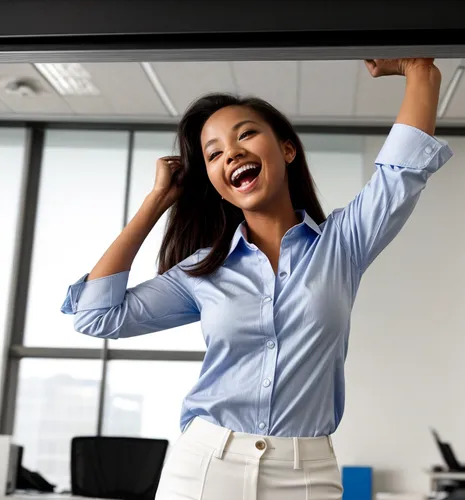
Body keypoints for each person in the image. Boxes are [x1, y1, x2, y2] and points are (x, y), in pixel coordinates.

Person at [61, 58, 453, 500]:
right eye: (213, 153)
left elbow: (403, 172)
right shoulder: (201, 272)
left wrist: (419, 69)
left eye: (246, 134)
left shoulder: (343, 243)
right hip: (206, 465)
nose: (231, 152)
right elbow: (96, 315)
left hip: (306, 473)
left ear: (287, 150)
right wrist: (156, 202)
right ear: (215, 181)